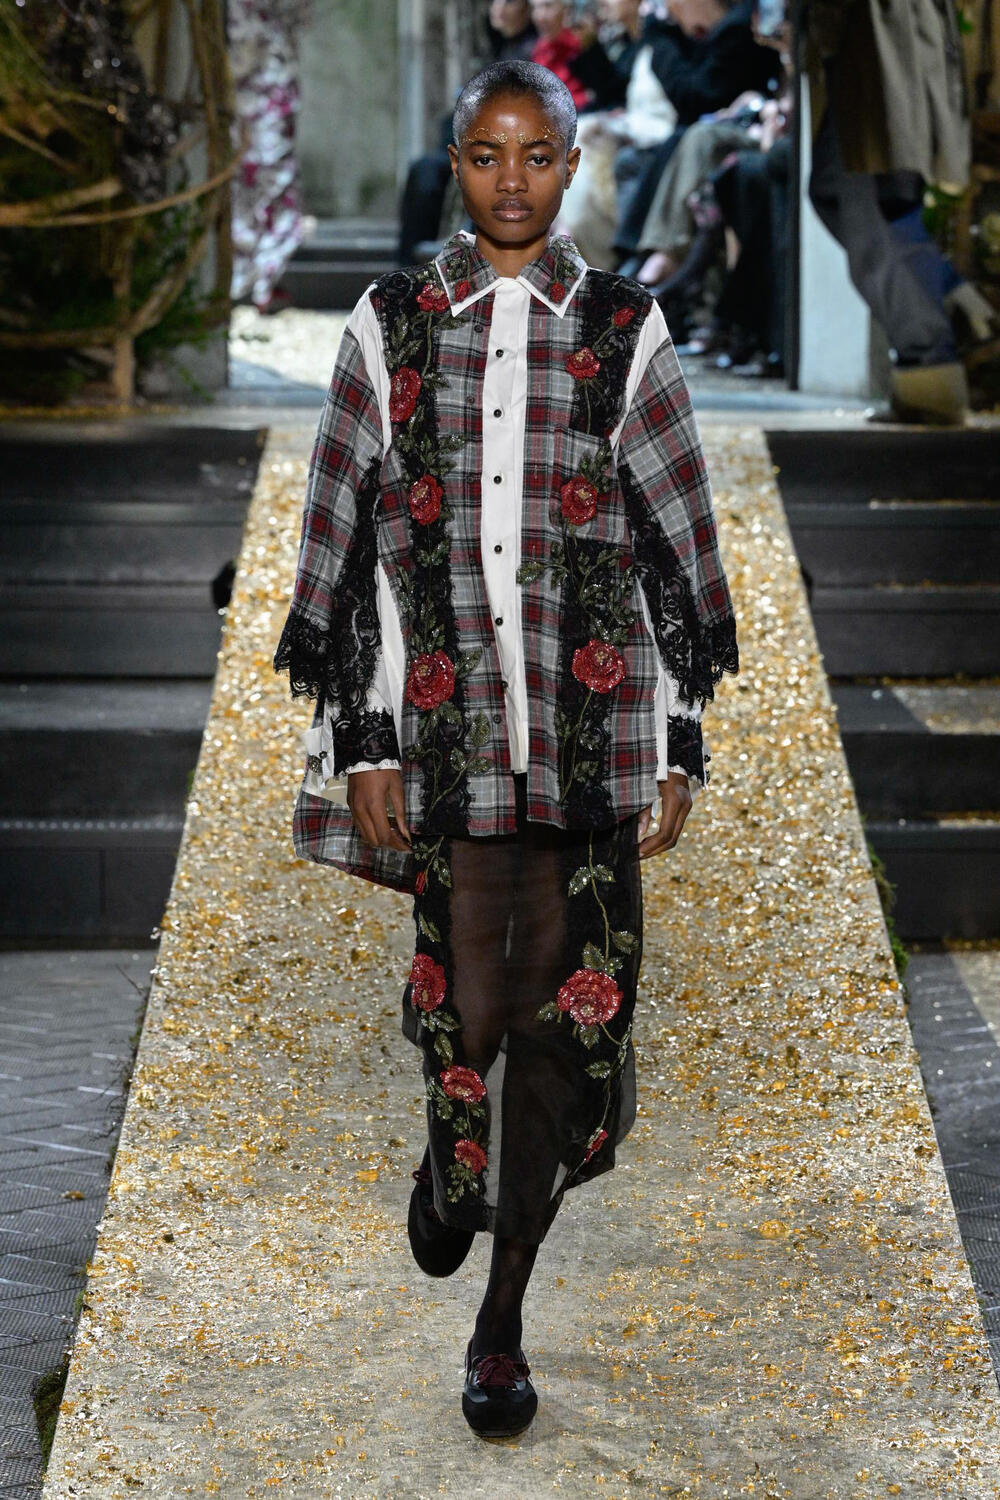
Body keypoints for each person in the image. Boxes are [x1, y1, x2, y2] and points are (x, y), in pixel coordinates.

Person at [273, 58, 738, 1439]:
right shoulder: (391, 325)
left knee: (567, 1024)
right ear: (458, 161)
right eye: (487, 155)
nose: (513, 181)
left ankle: (501, 1319)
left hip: (592, 735)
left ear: (573, 162)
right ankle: (450, 1171)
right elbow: (345, 542)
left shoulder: (627, 328)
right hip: (447, 732)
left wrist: (681, 740)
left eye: (537, 156)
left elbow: (676, 540)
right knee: (468, 1014)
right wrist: (363, 738)